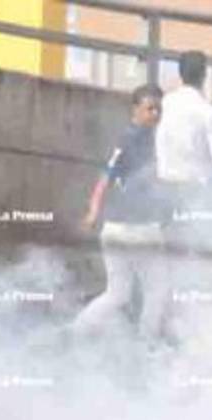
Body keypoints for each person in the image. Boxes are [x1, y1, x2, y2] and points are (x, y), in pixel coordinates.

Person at [73, 84, 167, 338]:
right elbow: (106, 177)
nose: (156, 114)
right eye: (150, 109)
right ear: (135, 109)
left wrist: (94, 212)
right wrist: (93, 211)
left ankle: (76, 331)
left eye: (159, 109)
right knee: (157, 290)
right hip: (139, 230)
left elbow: (107, 176)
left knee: (118, 293)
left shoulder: (134, 137)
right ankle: (148, 346)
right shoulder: (137, 139)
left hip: (114, 229)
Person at [156, 51, 212, 241]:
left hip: (161, 187)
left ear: (180, 74)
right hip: (193, 193)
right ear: (204, 75)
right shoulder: (209, 112)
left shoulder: (163, 104)